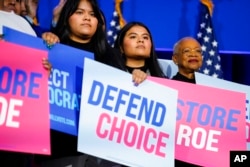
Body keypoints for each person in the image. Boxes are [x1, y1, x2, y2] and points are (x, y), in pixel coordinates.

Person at [35, 0, 147, 167]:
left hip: (102, 153)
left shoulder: (111, 55)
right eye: (80, 13)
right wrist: (43, 73)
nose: (87, 18)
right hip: (59, 150)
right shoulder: (50, 46)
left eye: (92, 14)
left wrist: (137, 77)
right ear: (67, 18)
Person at [171, 37, 203, 167]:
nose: (193, 54)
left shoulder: (215, 89)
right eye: (186, 51)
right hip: (179, 157)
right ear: (175, 59)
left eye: (198, 51)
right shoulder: (169, 88)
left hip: (205, 156)